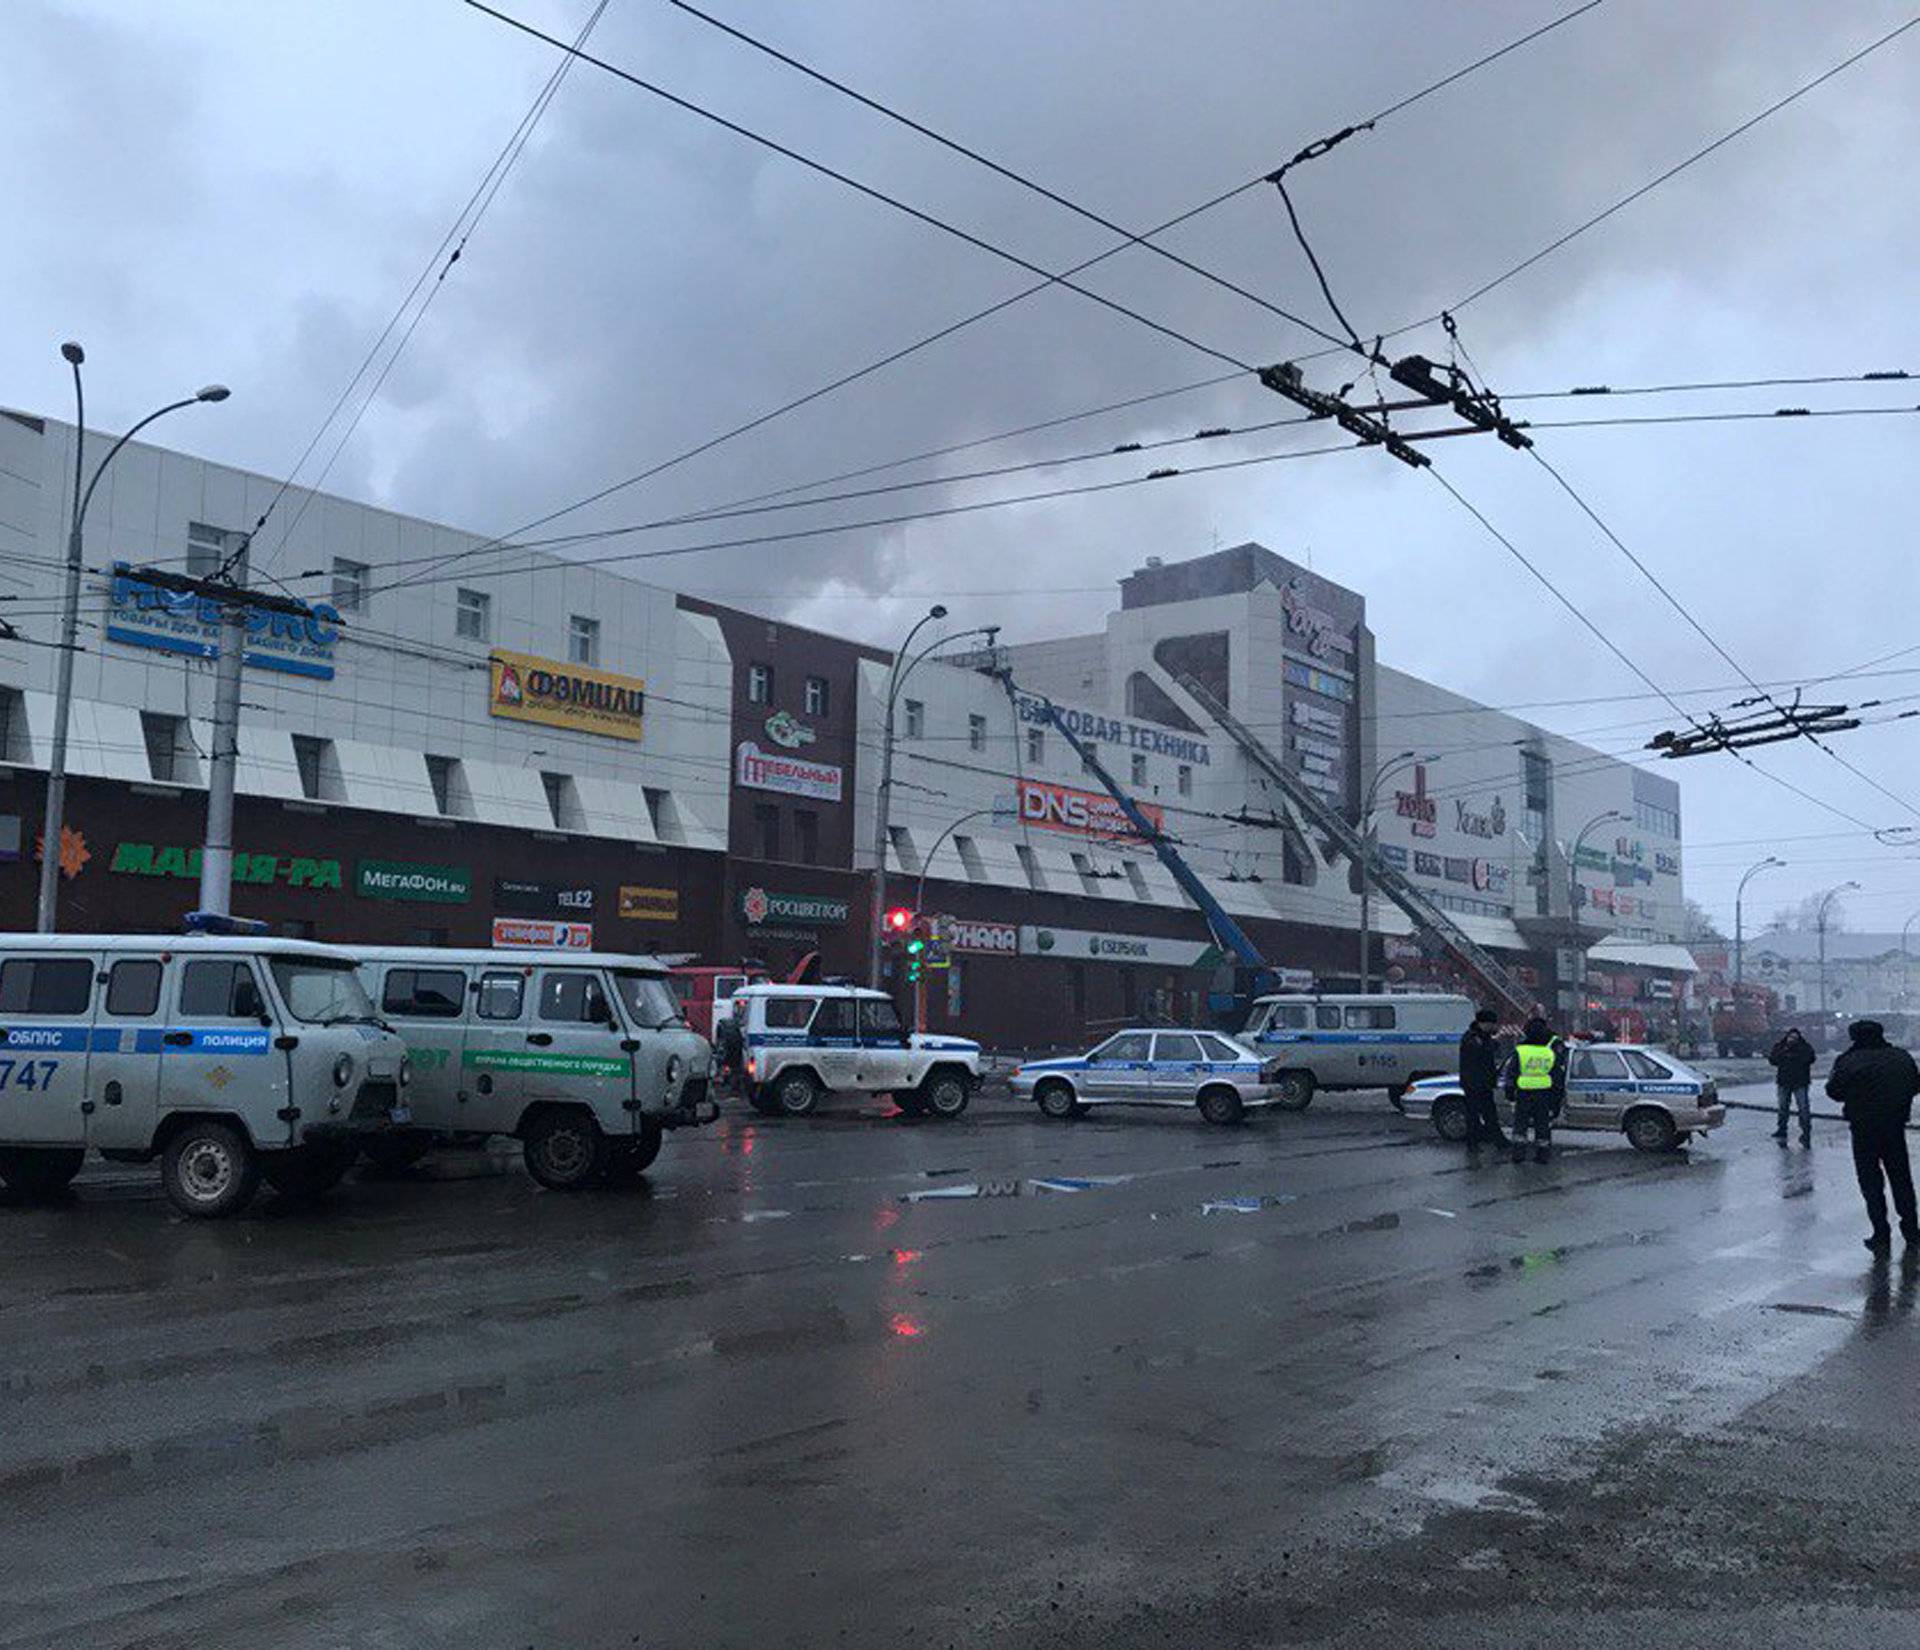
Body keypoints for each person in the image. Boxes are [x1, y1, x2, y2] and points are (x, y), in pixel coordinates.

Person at [1825, 1019, 1920, 1253]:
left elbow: (1834, 1091)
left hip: (1863, 1128)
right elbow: (1916, 1084)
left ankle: (1881, 1233)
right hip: (1894, 1126)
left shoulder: (1848, 1060)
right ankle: (1912, 1231)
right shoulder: (1901, 1057)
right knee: (1901, 1180)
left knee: (1871, 1183)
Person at [1503, 1015, 1565, 1164]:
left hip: (1524, 1094)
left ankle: (1518, 1155)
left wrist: (1510, 1092)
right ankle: (1543, 1155)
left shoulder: (1520, 1051)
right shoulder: (1549, 1053)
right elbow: (1557, 1077)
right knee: (1542, 1126)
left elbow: (1511, 1073)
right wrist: (1556, 1099)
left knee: (1520, 1126)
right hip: (1544, 1094)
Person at [1457, 1008, 1509, 1155]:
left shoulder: (1482, 1037)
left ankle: (1498, 1141)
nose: (1494, 1027)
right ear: (1484, 1023)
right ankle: (1473, 1144)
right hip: (1474, 1084)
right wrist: (1494, 1042)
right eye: (1492, 1024)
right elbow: (1481, 1052)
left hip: (1484, 1082)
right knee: (1473, 1115)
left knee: (1490, 1114)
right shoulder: (1471, 1038)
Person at [1767, 1027, 1816, 1147]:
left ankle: (1806, 1132)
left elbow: (1810, 1058)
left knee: (1803, 1108)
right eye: (1790, 1037)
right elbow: (1773, 1059)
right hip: (1785, 1082)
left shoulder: (1805, 1047)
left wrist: (1793, 1054)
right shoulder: (1781, 1047)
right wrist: (1785, 1051)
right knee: (1783, 1107)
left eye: (1795, 1038)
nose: (1792, 1040)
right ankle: (1782, 1129)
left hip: (1800, 1082)